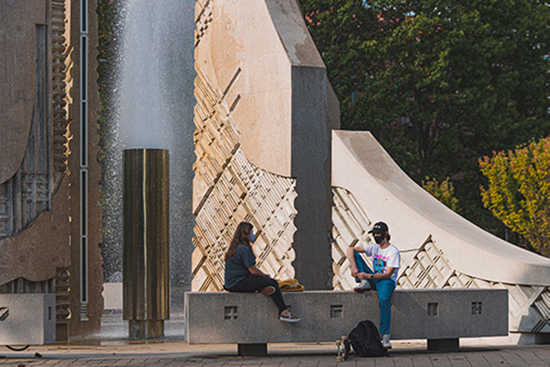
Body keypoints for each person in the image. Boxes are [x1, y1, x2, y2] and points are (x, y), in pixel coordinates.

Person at [224, 221, 300, 322]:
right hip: (239, 282)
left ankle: (262, 289)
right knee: (273, 282)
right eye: (251, 232)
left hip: (232, 284)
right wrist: (265, 276)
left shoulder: (235, 248)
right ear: (246, 234)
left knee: (263, 282)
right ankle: (284, 312)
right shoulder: (244, 249)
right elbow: (253, 270)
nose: (253, 235)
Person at [346, 221, 400, 349]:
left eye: (378, 234)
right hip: (373, 278)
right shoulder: (374, 248)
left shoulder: (393, 251)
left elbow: (388, 275)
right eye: (374, 234)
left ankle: (385, 335)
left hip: (386, 281)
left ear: (385, 234)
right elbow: (350, 249)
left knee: (384, 300)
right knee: (355, 254)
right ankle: (364, 283)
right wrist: (354, 267)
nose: (375, 236)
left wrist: (368, 276)